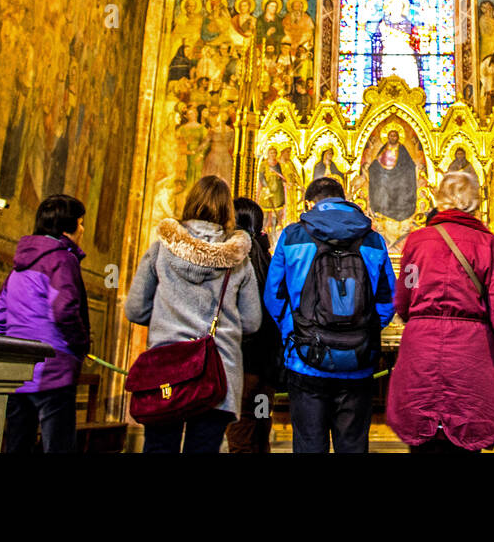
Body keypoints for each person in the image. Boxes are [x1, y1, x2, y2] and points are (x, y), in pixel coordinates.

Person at [387, 172, 494, 452]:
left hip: (421, 355)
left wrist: (424, 322)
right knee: (466, 442)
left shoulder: (417, 242)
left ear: (440, 199)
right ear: (475, 201)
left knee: (423, 443)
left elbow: (403, 299)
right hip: (470, 360)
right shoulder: (491, 246)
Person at [125, 175, 261, 453]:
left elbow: (135, 308)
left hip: (167, 367)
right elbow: (251, 321)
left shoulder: (160, 250)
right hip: (218, 370)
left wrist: (166, 321)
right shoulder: (238, 260)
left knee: (159, 447)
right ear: (226, 211)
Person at [262, 176, 396, 453]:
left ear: (312, 201)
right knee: (353, 445)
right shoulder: (373, 239)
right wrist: (365, 331)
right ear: (343, 198)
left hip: (305, 359)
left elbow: (273, 297)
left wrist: (296, 333)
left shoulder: (292, 235)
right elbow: (388, 299)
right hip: (359, 362)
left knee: (310, 444)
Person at [0, 194, 91, 453]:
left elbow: (0, 315)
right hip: (54, 370)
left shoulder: (19, 265)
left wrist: (15, 348)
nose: (82, 230)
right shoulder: (62, 260)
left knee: (17, 445)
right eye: (80, 223)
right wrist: (80, 344)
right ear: (67, 228)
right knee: (58, 446)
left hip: (18, 371)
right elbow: (64, 309)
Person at [225, 197, 281, 453]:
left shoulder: (235, 259)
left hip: (242, 364)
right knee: (260, 431)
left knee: (240, 436)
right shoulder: (268, 260)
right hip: (266, 368)